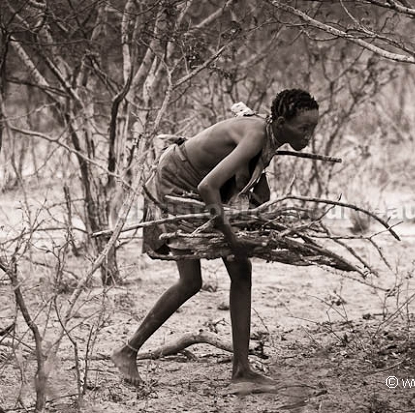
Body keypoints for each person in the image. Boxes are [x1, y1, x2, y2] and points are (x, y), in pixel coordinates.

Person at [111, 89, 319, 386]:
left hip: (204, 184)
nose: (309, 136)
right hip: (179, 181)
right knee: (191, 281)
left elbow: (252, 185)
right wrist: (233, 238)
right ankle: (127, 351)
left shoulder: (270, 135)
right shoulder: (257, 135)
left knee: (241, 271)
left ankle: (242, 371)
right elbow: (207, 188)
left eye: (313, 128)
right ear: (283, 122)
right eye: (304, 128)